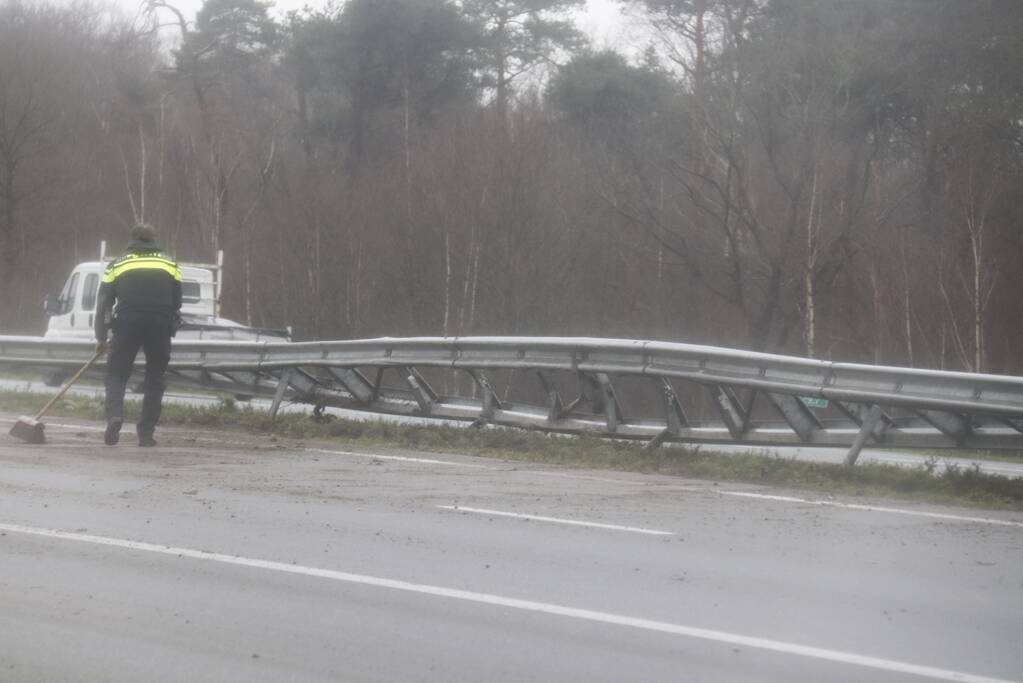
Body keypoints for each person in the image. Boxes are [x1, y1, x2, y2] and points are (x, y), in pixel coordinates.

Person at [94, 224, 182, 446]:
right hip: (160, 325)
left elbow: (104, 302)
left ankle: (115, 416)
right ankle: (146, 434)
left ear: (132, 240)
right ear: (154, 240)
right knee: (155, 379)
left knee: (117, 373)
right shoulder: (169, 263)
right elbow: (177, 301)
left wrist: (101, 336)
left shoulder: (118, 263)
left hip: (127, 323)